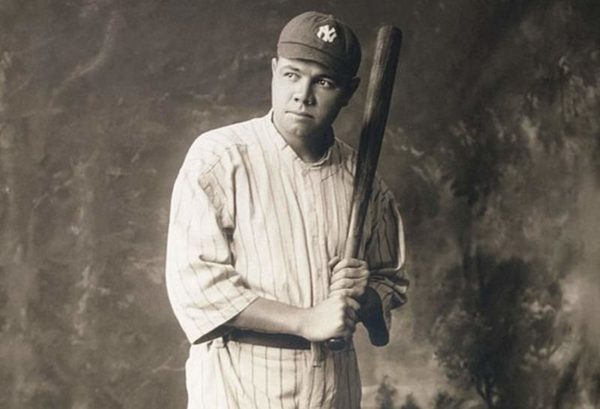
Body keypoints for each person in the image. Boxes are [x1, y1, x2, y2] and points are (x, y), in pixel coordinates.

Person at [166, 11, 408, 409]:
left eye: (324, 82)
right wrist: (306, 320)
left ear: (349, 92)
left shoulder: (365, 182)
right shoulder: (220, 158)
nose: (303, 95)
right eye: (293, 75)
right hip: (238, 386)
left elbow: (390, 283)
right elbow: (198, 286)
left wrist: (362, 296)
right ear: (274, 71)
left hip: (334, 388)